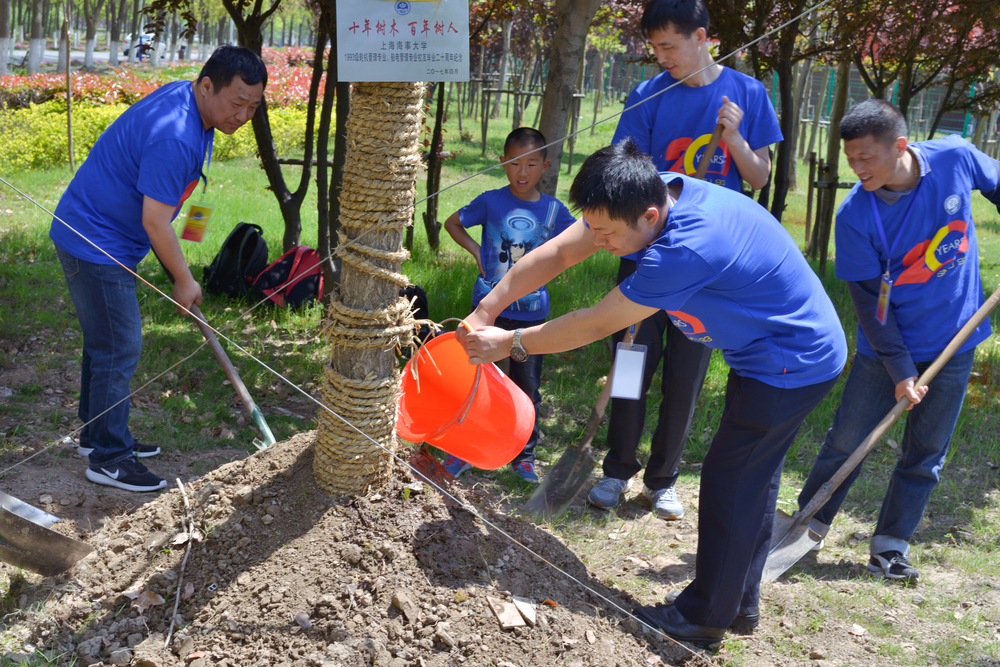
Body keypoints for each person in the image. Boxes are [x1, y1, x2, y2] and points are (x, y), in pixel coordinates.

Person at [458, 139, 847, 644]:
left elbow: (593, 322)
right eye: (593, 228)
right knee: (751, 478)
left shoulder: (681, 250)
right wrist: (488, 308)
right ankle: (739, 604)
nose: (600, 241)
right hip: (765, 353)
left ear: (648, 216)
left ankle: (704, 618)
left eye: (609, 235)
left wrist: (509, 343)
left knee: (731, 482)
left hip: (790, 362)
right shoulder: (641, 194)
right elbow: (556, 251)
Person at [587, 0, 782, 520]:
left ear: (702, 37)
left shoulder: (747, 94)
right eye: (655, 48)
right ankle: (615, 469)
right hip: (646, 254)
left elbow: (759, 177)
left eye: (669, 46)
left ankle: (664, 477)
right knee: (631, 361)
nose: (662, 58)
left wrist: (736, 137)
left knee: (686, 373)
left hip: (712, 270)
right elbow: (626, 175)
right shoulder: (648, 95)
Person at [796, 99, 1000, 582]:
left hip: (957, 335)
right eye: (851, 160)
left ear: (900, 146)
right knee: (847, 441)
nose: (858, 168)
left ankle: (891, 544)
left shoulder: (955, 156)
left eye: (867, 157)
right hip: (886, 346)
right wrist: (900, 369)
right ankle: (805, 525)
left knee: (927, 453)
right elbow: (870, 306)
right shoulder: (855, 216)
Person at [51, 45, 266, 492]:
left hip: (99, 234)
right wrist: (184, 280)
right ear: (207, 86)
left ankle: (96, 438)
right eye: (236, 102)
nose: (243, 115)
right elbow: (155, 221)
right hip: (94, 241)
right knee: (119, 344)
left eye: (253, 105)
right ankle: (109, 458)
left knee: (104, 341)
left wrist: (185, 256)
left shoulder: (190, 103)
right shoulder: (176, 136)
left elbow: (167, 211)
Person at [442, 127, 577, 483]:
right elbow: (452, 222)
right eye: (515, 163)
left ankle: (524, 455)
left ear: (545, 166)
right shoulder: (491, 201)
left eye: (531, 164)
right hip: (489, 312)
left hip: (532, 318)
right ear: (502, 163)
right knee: (481, 383)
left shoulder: (554, 211)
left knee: (526, 387)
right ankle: (465, 450)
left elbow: (579, 241)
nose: (522, 172)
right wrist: (476, 252)